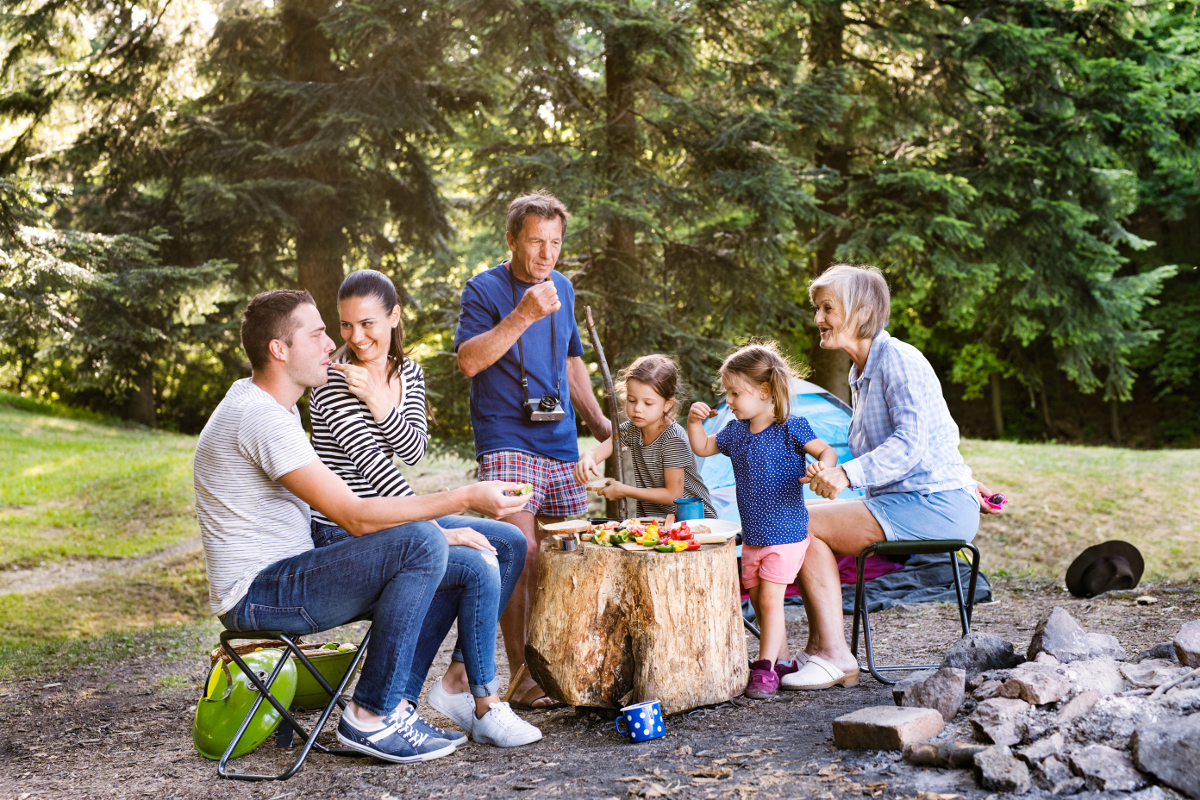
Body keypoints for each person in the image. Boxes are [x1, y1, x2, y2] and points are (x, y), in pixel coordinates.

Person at [193, 289, 528, 764]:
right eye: (319, 334)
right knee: (422, 543)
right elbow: (352, 512)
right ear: (279, 350)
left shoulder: (278, 408)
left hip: (294, 572)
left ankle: (414, 701)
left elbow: (392, 466)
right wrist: (464, 498)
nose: (333, 343)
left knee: (491, 548)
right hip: (260, 592)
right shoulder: (260, 417)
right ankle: (370, 715)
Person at [308, 269, 540, 747]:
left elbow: (412, 448)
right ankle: (482, 700)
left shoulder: (407, 372)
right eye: (346, 325)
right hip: (346, 531)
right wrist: (438, 528)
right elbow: (374, 470)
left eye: (368, 324)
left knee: (511, 542)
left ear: (394, 317)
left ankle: (454, 682)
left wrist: (378, 400)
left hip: (394, 519)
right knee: (475, 557)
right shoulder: (332, 380)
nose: (356, 337)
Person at [786, 264, 1004, 691]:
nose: (818, 319)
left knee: (802, 523)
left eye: (827, 308)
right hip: (919, 500)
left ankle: (834, 655)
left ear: (861, 310)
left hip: (932, 505)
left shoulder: (898, 359)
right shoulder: (862, 372)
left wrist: (847, 473)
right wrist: (824, 470)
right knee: (799, 516)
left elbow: (910, 442)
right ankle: (821, 649)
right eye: (817, 308)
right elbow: (917, 445)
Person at [454, 192, 612, 709]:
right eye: (535, 242)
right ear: (512, 240)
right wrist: (522, 315)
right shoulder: (484, 290)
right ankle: (521, 673)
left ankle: (560, 662)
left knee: (570, 558)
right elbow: (470, 362)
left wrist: (600, 423)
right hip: (507, 438)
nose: (547, 254)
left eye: (555, 242)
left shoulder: (562, 286)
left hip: (561, 442)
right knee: (521, 553)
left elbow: (571, 364)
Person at [686, 342, 838, 700]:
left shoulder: (791, 428)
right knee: (757, 599)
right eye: (728, 392)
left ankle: (765, 667)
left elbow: (827, 451)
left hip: (785, 535)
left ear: (764, 391)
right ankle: (783, 661)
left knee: (770, 601)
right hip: (753, 537)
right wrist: (694, 422)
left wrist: (824, 467)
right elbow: (703, 447)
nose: (730, 400)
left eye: (735, 393)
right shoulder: (737, 433)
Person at [574, 354, 716, 520]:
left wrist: (624, 490)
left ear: (667, 405)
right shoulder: (631, 430)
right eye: (632, 400)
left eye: (648, 403)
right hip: (659, 522)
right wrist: (586, 458)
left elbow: (672, 495)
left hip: (693, 521)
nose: (638, 409)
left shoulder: (672, 438)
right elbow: (598, 452)